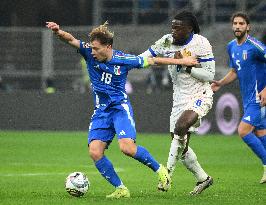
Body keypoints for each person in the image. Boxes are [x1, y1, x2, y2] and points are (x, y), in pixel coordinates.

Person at [46, 21, 198, 199]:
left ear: (108, 47)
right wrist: (58, 32)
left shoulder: (124, 60)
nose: (92, 52)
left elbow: (153, 60)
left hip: (119, 109)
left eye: (96, 48)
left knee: (127, 148)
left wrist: (183, 61)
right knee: (95, 151)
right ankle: (121, 188)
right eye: (91, 48)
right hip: (101, 111)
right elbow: (71, 39)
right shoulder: (88, 52)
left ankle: (160, 170)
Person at [140, 11, 215, 195]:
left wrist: (188, 69)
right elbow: (145, 56)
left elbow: (210, 75)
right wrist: (125, 62)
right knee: (181, 145)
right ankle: (203, 178)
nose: (173, 30)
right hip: (179, 98)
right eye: (172, 26)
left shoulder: (201, 43)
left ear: (189, 28)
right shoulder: (166, 41)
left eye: (177, 27)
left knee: (181, 127)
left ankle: (167, 176)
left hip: (200, 94)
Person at [211, 12, 266, 184]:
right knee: (260, 132)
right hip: (247, 97)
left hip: (259, 97)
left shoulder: (255, 46)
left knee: (243, 131)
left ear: (248, 27)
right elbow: (235, 71)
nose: (237, 26)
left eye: (241, 23)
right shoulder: (231, 47)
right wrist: (220, 83)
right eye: (235, 23)